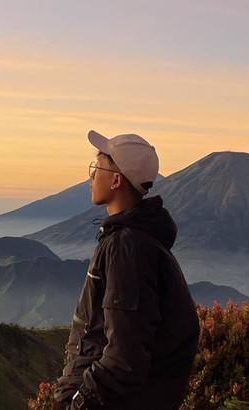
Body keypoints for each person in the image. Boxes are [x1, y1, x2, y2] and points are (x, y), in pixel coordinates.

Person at [54, 130, 200, 409]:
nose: (91, 177)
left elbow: (125, 356)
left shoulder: (128, 248)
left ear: (117, 180)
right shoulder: (137, 241)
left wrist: (80, 402)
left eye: (97, 168)